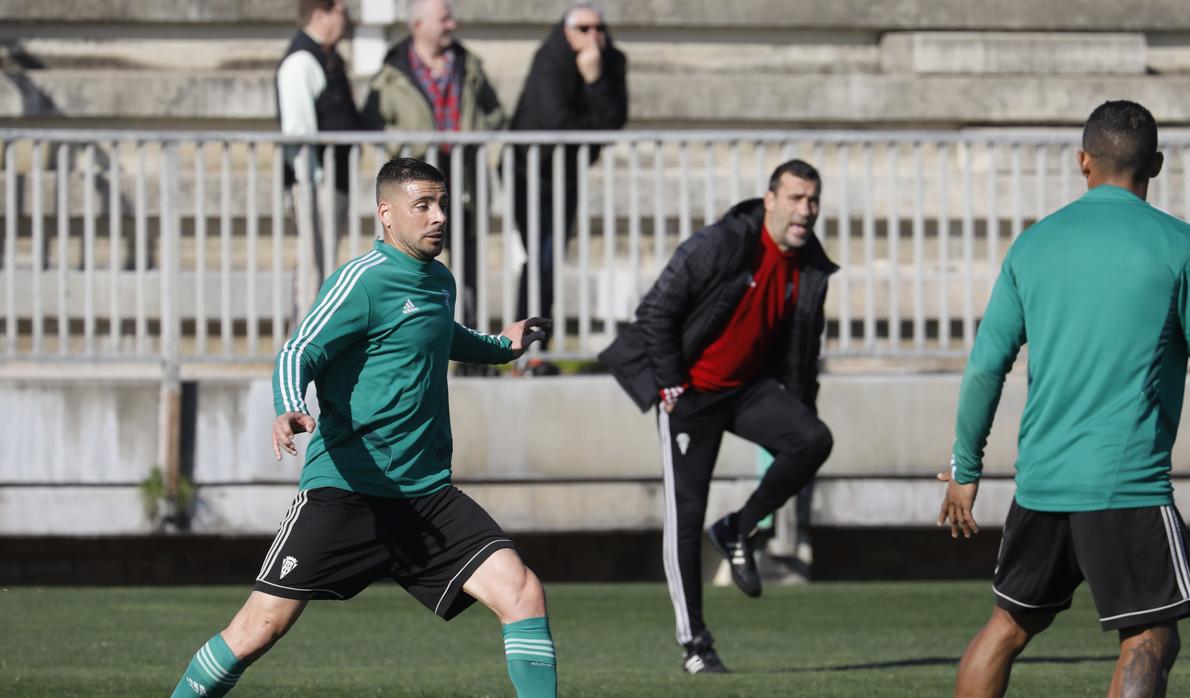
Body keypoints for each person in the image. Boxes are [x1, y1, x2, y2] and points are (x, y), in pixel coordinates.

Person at [169, 158, 557, 698]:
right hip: (347, 492)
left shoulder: (439, 281)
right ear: (387, 213)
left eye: (442, 204)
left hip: (424, 497)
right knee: (257, 630)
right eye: (423, 205)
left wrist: (504, 345)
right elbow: (298, 349)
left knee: (522, 592)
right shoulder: (362, 281)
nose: (438, 216)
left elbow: (442, 334)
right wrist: (286, 406)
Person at [937, 100, 1190, 697]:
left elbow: (985, 368)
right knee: (1151, 638)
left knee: (1006, 627)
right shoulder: (1184, 247)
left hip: (1043, 483)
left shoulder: (1032, 246)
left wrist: (964, 468)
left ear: (1083, 162)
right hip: (1126, 484)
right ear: (1154, 165)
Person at [599, 160, 838, 673]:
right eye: (795, 198)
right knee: (685, 519)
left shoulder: (811, 265)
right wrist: (669, 385)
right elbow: (657, 312)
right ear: (770, 199)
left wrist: (798, 410)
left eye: (813, 200)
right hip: (690, 393)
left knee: (812, 440)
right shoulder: (724, 242)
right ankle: (696, 646)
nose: (805, 210)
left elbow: (803, 351)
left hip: (747, 389)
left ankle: (737, 528)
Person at [361, 0, 507, 326]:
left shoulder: (468, 66)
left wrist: (471, 135)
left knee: (468, 264)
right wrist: (409, 141)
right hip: (413, 186)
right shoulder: (392, 72)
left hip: (464, 181)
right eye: (444, 19)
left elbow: (497, 114)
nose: (452, 25)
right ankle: (409, 330)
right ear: (418, 26)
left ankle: (470, 340)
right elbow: (372, 123)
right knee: (411, 260)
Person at [510, 2, 628, 321]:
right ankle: (526, 342)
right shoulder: (550, 59)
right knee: (542, 255)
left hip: (569, 173)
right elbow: (556, 121)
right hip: (529, 170)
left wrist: (594, 80)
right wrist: (594, 126)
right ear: (566, 31)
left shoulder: (611, 61)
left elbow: (615, 120)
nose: (594, 36)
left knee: (550, 256)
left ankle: (532, 342)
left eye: (599, 29)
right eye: (584, 29)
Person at [275, 0, 363, 291]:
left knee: (323, 268)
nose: (346, 16)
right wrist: (311, 187)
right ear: (319, 14)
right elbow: (298, 132)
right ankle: (303, 335)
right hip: (315, 184)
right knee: (313, 270)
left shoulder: (328, 57)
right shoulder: (301, 60)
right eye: (340, 9)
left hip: (329, 183)